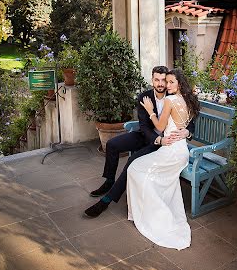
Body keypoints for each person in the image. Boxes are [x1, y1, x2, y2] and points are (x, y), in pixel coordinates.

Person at [84, 65, 194, 218]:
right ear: (152, 80)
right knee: (112, 144)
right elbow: (143, 126)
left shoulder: (173, 98)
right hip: (147, 136)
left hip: (164, 144)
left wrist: (187, 131)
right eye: (158, 80)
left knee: (132, 161)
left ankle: (107, 200)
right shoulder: (145, 97)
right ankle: (109, 181)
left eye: (165, 80)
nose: (162, 84)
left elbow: (189, 122)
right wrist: (157, 138)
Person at [127, 68, 200, 250]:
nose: (167, 85)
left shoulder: (170, 100)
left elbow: (159, 127)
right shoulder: (187, 100)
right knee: (145, 171)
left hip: (171, 151)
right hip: (181, 151)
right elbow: (184, 125)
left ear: (179, 84)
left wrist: (151, 111)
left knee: (135, 170)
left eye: (171, 82)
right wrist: (187, 132)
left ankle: (155, 215)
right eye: (166, 82)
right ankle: (156, 207)